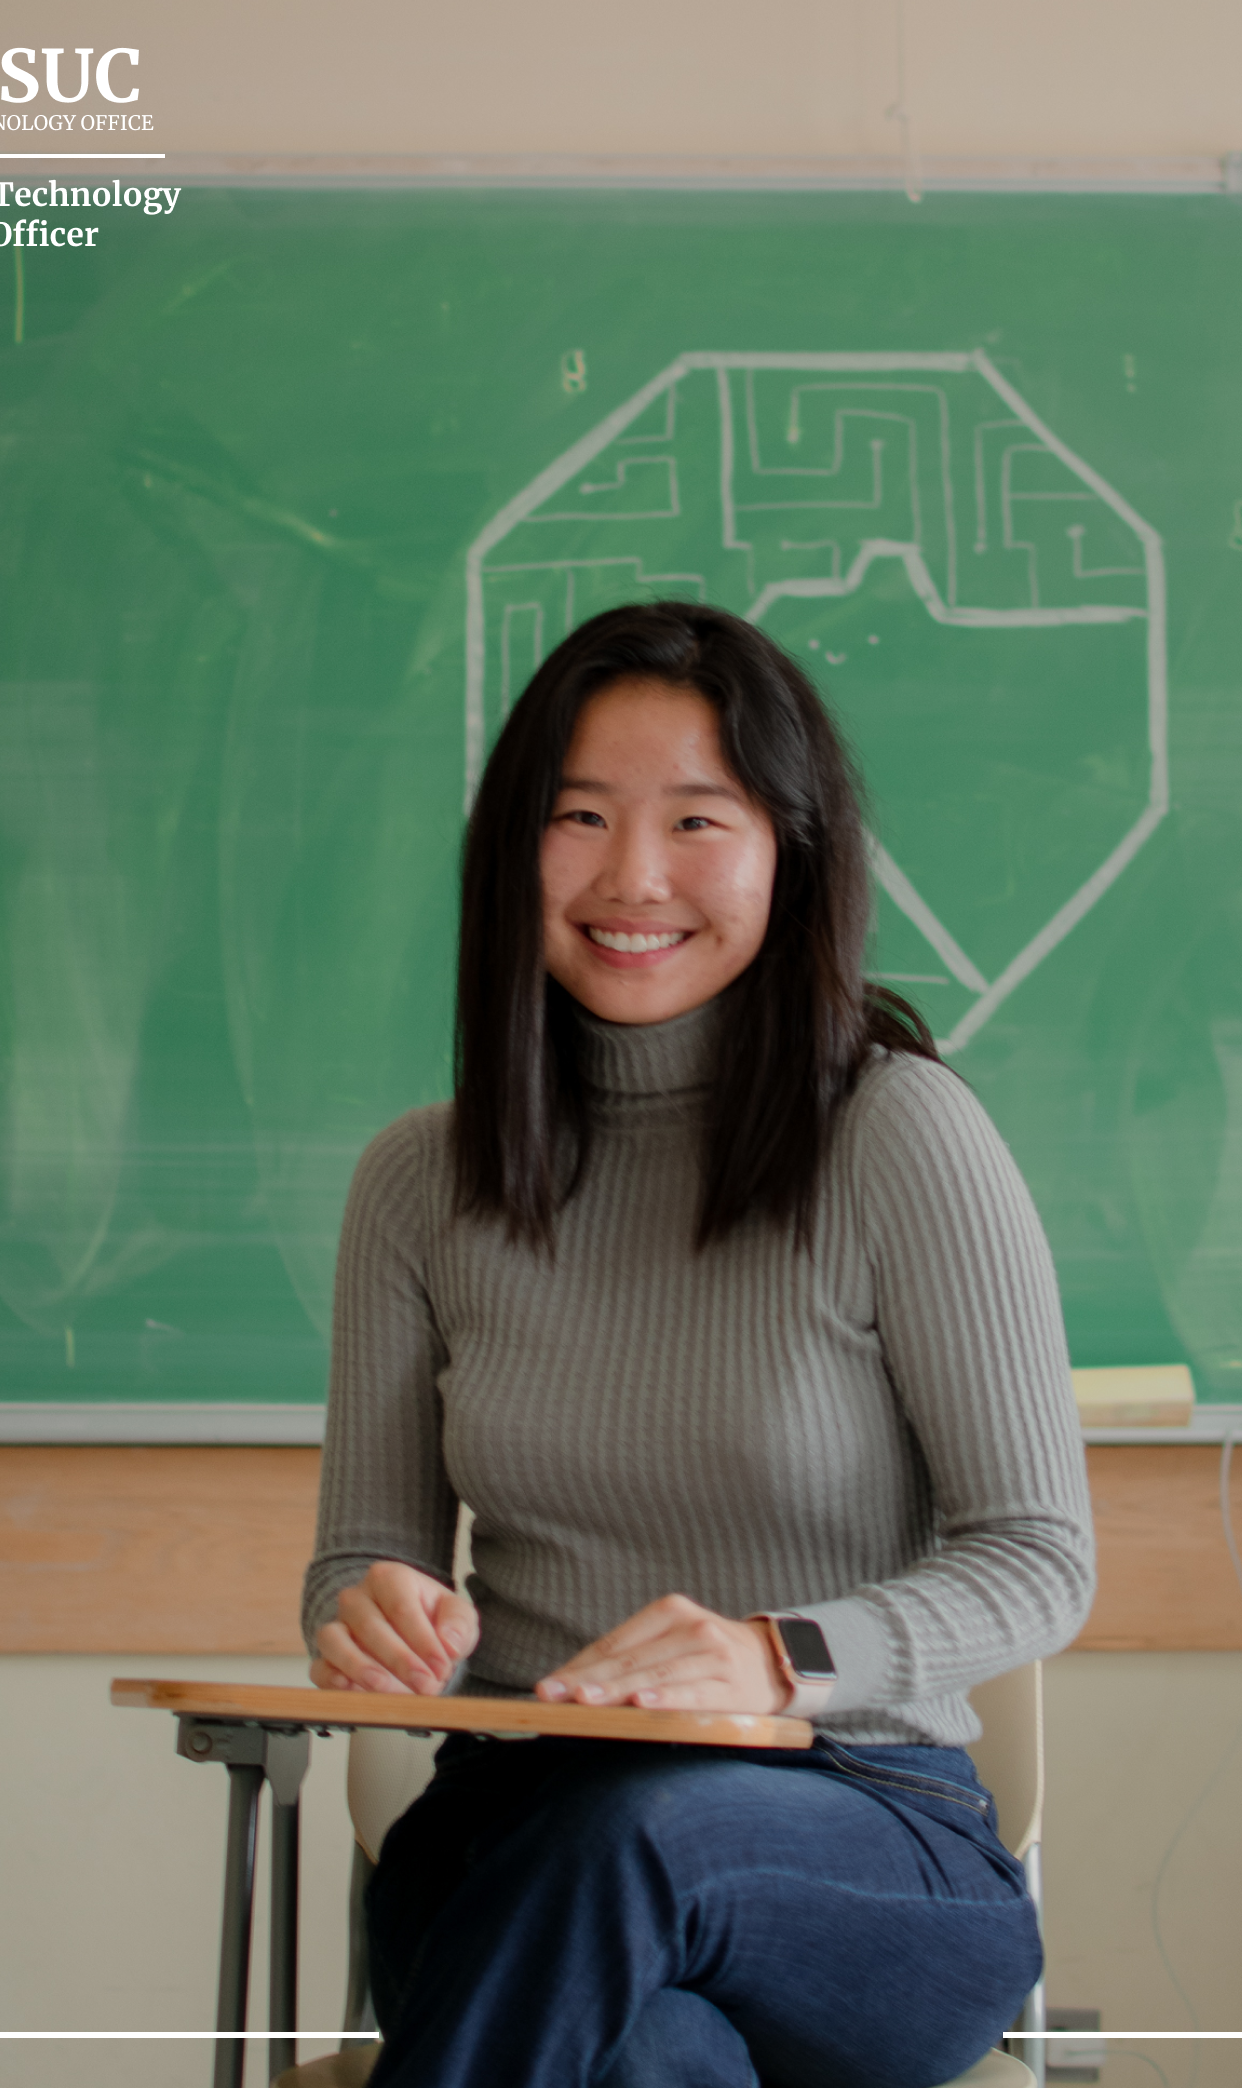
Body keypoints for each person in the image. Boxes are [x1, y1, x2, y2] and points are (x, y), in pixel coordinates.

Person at [301, 602, 1095, 2088]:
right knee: (648, 2057)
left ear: (791, 851)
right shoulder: (418, 1183)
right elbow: (364, 1557)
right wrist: (365, 1613)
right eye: (579, 818)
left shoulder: (901, 1134)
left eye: (697, 821)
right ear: (509, 854)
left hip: (858, 1837)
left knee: (643, 1834)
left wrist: (772, 1659)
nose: (633, 877)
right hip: (512, 1826)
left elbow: (1041, 1557)